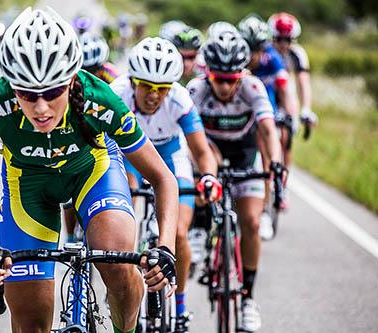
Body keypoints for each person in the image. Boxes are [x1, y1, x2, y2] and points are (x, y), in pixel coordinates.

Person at [0, 7, 179, 333]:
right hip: (29, 187)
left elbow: (161, 177)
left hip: (92, 171)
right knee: (30, 320)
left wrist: (166, 247)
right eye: (27, 94)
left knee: (116, 261)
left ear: (73, 79)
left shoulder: (99, 99)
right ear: (10, 84)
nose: (41, 107)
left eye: (53, 92)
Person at [110, 37, 221, 333]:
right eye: (146, 86)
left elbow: (200, 152)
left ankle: (180, 306)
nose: (154, 95)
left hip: (170, 159)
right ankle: (124, 290)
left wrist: (208, 176)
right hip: (129, 158)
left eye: (162, 88)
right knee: (125, 225)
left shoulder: (180, 99)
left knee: (180, 233)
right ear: (133, 81)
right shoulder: (116, 94)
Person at [187, 22, 286, 332]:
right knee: (206, 170)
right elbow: (185, 137)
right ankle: (201, 227)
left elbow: (269, 130)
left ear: (241, 74)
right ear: (208, 73)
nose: (226, 88)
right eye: (219, 80)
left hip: (245, 152)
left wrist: (277, 164)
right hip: (209, 149)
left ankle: (247, 300)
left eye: (232, 80)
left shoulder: (253, 87)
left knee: (252, 223)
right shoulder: (196, 90)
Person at [238, 14, 294, 238]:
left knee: (271, 145)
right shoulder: (236, 58)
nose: (253, 55)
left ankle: (265, 207)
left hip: (265, 113)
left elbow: (285, 90)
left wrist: (290, 116)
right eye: (249, 48)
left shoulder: (273, 59)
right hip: (242, 115)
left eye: (258, 49)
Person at [63, 32, 120, 243]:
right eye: (85, 71)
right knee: (68, 196)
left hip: (102, 127)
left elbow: (119, 110)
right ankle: (69, 237)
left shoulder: (113, 76)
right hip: (76, 126)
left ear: (103, 66)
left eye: (96, 70)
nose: (91, 76)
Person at [268, 12, 318, 130]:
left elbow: (303, 81)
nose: (283, 44)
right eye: (279, 39)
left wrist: (306, 108)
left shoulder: (298, 53)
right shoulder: (266, 52)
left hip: (287, 94)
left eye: (287, 39)